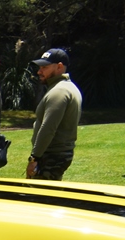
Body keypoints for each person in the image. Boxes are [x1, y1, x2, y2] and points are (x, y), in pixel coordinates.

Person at [28, 48, 82, 181]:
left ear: (59, 67)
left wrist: (34, 158)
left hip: (51, 156)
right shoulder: (66, 87)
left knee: (38, 197)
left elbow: (48, 128)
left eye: (44, 67)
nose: (39, 71)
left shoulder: (59, 92)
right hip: (57, 154)